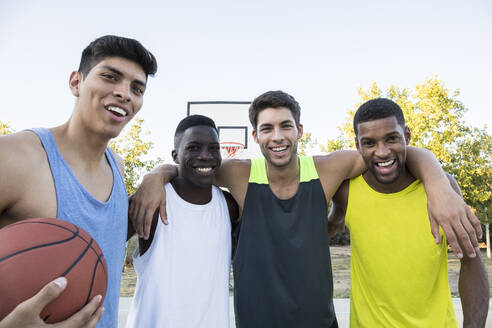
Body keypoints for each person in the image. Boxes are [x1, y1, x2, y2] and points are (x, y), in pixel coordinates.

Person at [130, 91, 482, 328]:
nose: (277, 136)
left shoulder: (329, 168)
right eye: (267, 128)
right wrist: (155, 175)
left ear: (299, 130)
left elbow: (390, 152)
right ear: (255, 136)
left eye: (285, 126)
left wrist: (436, 179)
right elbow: (190, 165)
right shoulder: (237, 174)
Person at [0, 35, 157, 328]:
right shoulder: (14, 157)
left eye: (137, 88)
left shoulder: (118, 168)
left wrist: (158, 174)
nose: (124, 93)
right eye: (110, 77)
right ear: (76, 82)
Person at [328, 98, 489, 327]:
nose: (382, 152)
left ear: (407, 136)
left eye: (391, 138)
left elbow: (471, 264)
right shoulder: (345, 191)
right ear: (357, 145)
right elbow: (332, 225)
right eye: (370, 143)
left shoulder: (443, 190)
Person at [125, 115, 239, 328]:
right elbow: (98, 247)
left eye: (214, 148)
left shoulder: (229, 206)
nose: (206, 156)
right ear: (175, 155)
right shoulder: (149, 201)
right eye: (194, 148)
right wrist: (156, 174)